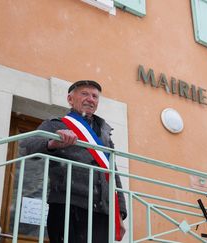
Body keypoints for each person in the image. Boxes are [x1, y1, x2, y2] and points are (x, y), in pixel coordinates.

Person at [21, 80, 127, 243]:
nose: (90, 99)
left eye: (94, 96)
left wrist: (120, 213)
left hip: (102, 211)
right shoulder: (56, 124)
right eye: (84, 94)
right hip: (68, 204)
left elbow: (113, 173)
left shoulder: (104, 133)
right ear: (70, 99)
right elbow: (27, 146)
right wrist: (52, 143)